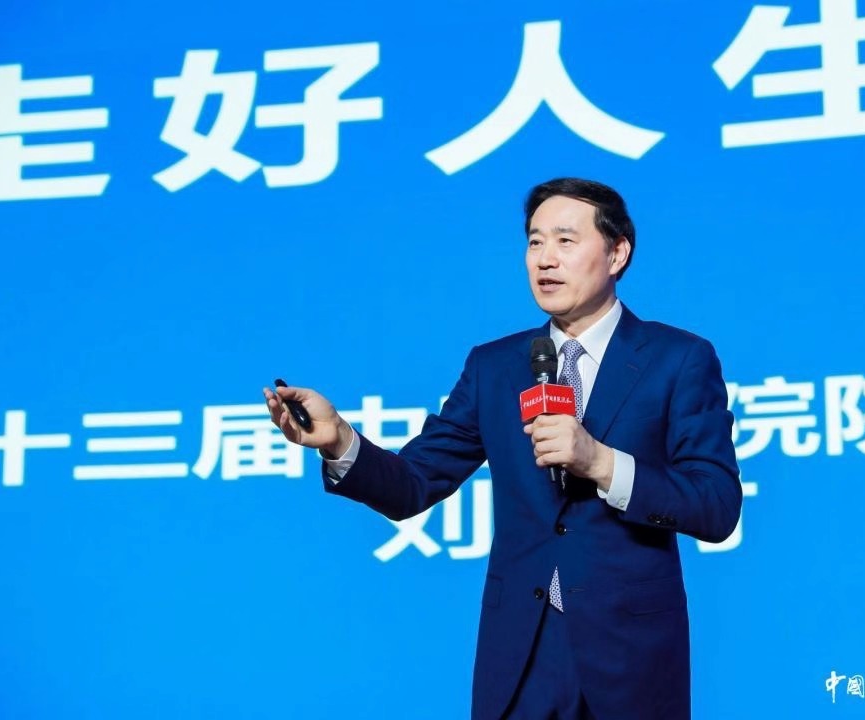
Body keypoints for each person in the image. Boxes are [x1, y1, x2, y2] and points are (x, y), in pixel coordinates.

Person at [263, 178, 742, 719]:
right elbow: (413, 484)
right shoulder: (495, 367)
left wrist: (602, 463)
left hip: (630, 658)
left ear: (617, 253)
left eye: (565, 240)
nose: (545, 259)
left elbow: (716, 505)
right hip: (521, 656)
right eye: (535, 241)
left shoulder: (678, 359)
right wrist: (339, 440)